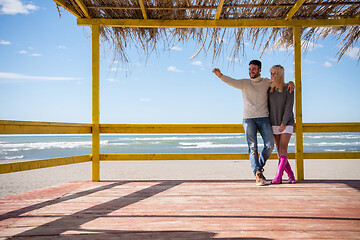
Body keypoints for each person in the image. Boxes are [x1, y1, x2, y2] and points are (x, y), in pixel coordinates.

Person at [212, 60, 294, 186]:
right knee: (252, 147)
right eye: (250, 69)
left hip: (264, 118)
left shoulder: (267, 82)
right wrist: (220, 76)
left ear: (260, 70)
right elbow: (232, 81)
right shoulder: (245, 83)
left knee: (270, 146)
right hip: (249, 119)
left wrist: (291, 83)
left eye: (254, 69)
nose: (251, 71)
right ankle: (257, 172)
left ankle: (258, 168)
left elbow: (280, 82)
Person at [268, 65, 296, 184]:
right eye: (271, 73)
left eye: (275, 73)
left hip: (287, 122)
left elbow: (289, 107)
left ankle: (278, 177)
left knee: (283, 148)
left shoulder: (288, 88)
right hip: (273, 122)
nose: (273, 76)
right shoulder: (269, 89)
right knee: (279, 151)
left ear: (280, 75)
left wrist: (284, 123)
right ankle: (291, 176)